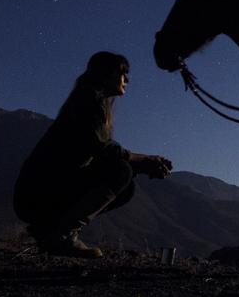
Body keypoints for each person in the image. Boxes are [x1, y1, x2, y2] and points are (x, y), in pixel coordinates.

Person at [13, 51, 173, 258]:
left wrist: (142, 165)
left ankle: (48, 230)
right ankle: (62, 235)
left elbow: (102, 154)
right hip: (38, 194)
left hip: (37, 193)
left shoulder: (87, 102)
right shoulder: (89, 102)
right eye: (122, 73)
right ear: (106, 74)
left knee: (126, 180)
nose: (127, 79)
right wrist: (144, 160)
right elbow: (102, 149)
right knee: (121, 171)